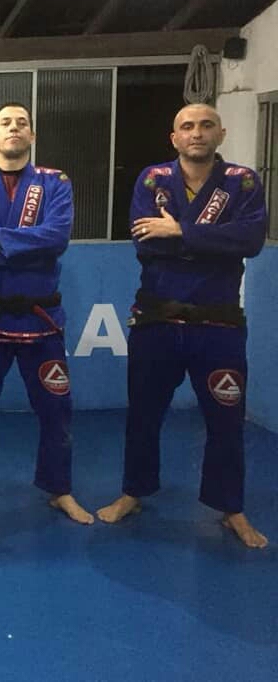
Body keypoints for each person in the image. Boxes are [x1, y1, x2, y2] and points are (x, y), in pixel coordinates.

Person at [97, 103, 267, 548]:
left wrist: (180, 232)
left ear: (220, 134)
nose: (197, 132)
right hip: (157, 320)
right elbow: (146, 244)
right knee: (143, 414)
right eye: (187, 126)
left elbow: (250, 240)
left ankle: (231, 507)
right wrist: (213, 242)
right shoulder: (152, 180)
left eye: (206, 125)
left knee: (226, 419)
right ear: (174, 138)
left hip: (219, 324)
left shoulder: (242, 182)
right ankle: (134, 492)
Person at [0, 103, 93, 525]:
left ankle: (60, 490)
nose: (14, 128)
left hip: (41, 319)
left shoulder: (55, 182)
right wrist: (26, 246)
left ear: (32, 136)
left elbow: (57, 238)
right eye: (5, 123)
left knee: (57, 410)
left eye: (22, 123)